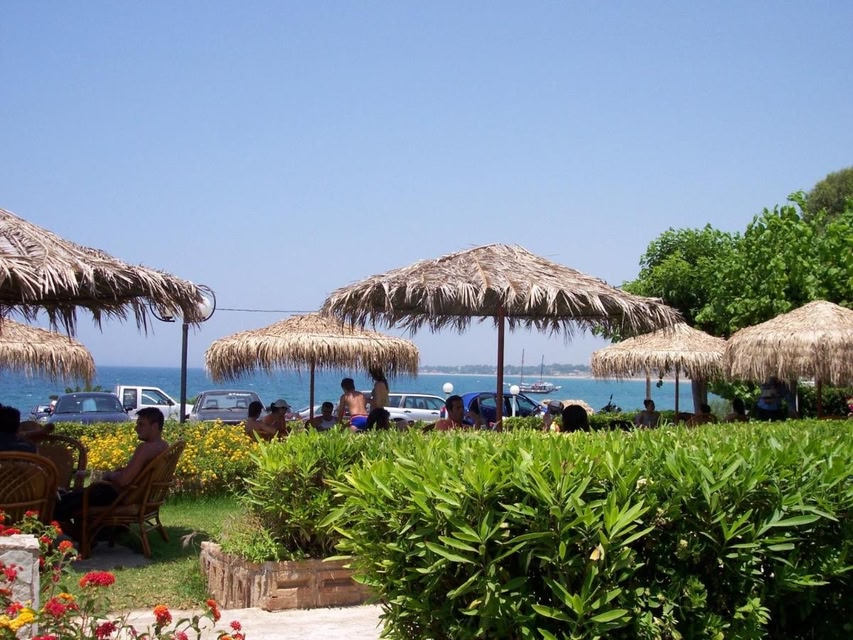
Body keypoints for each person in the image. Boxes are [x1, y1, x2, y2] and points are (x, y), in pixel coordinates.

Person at [54, 407, 169, 523]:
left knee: (61, 504)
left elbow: (124, 480)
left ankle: (55, 524)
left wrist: (109, 475)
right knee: (70, 497)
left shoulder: (146, 449)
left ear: (154, 426)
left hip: (115, 496)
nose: (136, 428)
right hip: (132, 496)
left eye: (141, 424)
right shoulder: (164, 447)